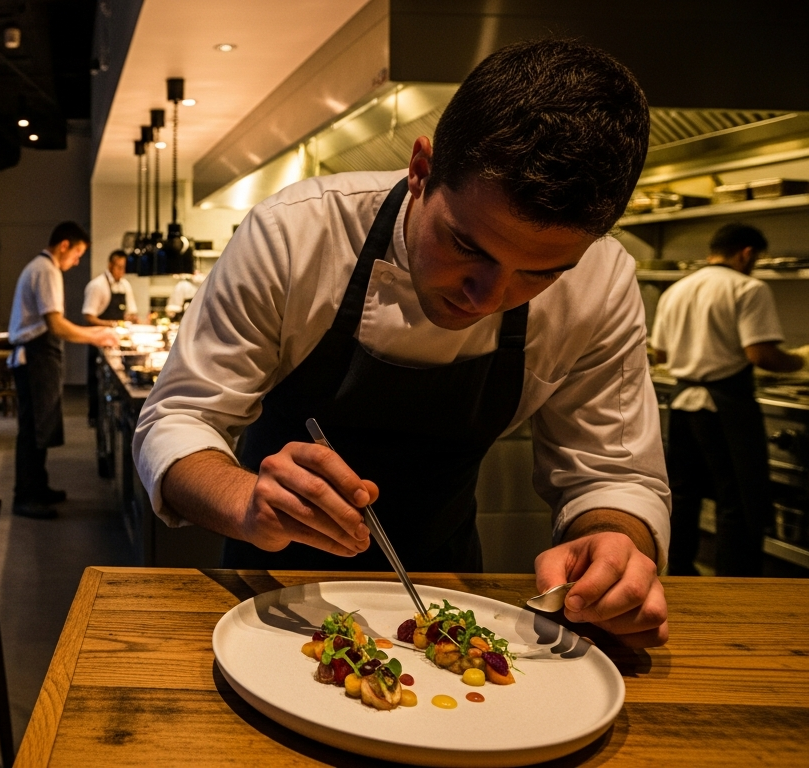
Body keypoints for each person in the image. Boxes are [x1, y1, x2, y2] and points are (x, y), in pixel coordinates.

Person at [134, 39, 671, 648]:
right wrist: (248, 499)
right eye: (466, 246)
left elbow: (614, 476)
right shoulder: (294, 234)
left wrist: (615, 544)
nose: (487, 297)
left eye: (540, 274)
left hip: (448, 593)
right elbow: (178, 419)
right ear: (421, 169)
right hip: (269, 593)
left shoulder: (601, 282)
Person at [650, 224, 805, 576]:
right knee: (737, 498)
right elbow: (760, 355)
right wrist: (800, 361)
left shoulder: (676, 290)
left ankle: (679, 575)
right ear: (747, 253)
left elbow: (661, 353)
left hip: (683, 403)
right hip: (726, 407)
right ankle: (734, 582)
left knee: (683, 496)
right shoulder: (748, 288)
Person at [8, 222, 118, 519]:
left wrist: (95, 334)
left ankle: (38, 487)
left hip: (38, 355)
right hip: (34, 357)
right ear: (64, 245)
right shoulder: (46, 270)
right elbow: (56, 325)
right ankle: (25, 497)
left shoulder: (42, 267)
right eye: (78, 253)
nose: (77, 261)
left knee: (39, 425)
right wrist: (95, 336)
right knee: (32, 429)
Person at [83, 249, 139, 425]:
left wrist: (132, 319)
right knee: (96, 377)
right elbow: (89, 316)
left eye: (124, 268)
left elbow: (130, 312)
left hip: (117, 339)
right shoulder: (97, 286)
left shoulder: (125, 285)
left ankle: (118, 417)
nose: (122, 272)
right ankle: (95, 416)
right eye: (119, 267)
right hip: (99, 338)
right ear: (110, 265)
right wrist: (112, 324)